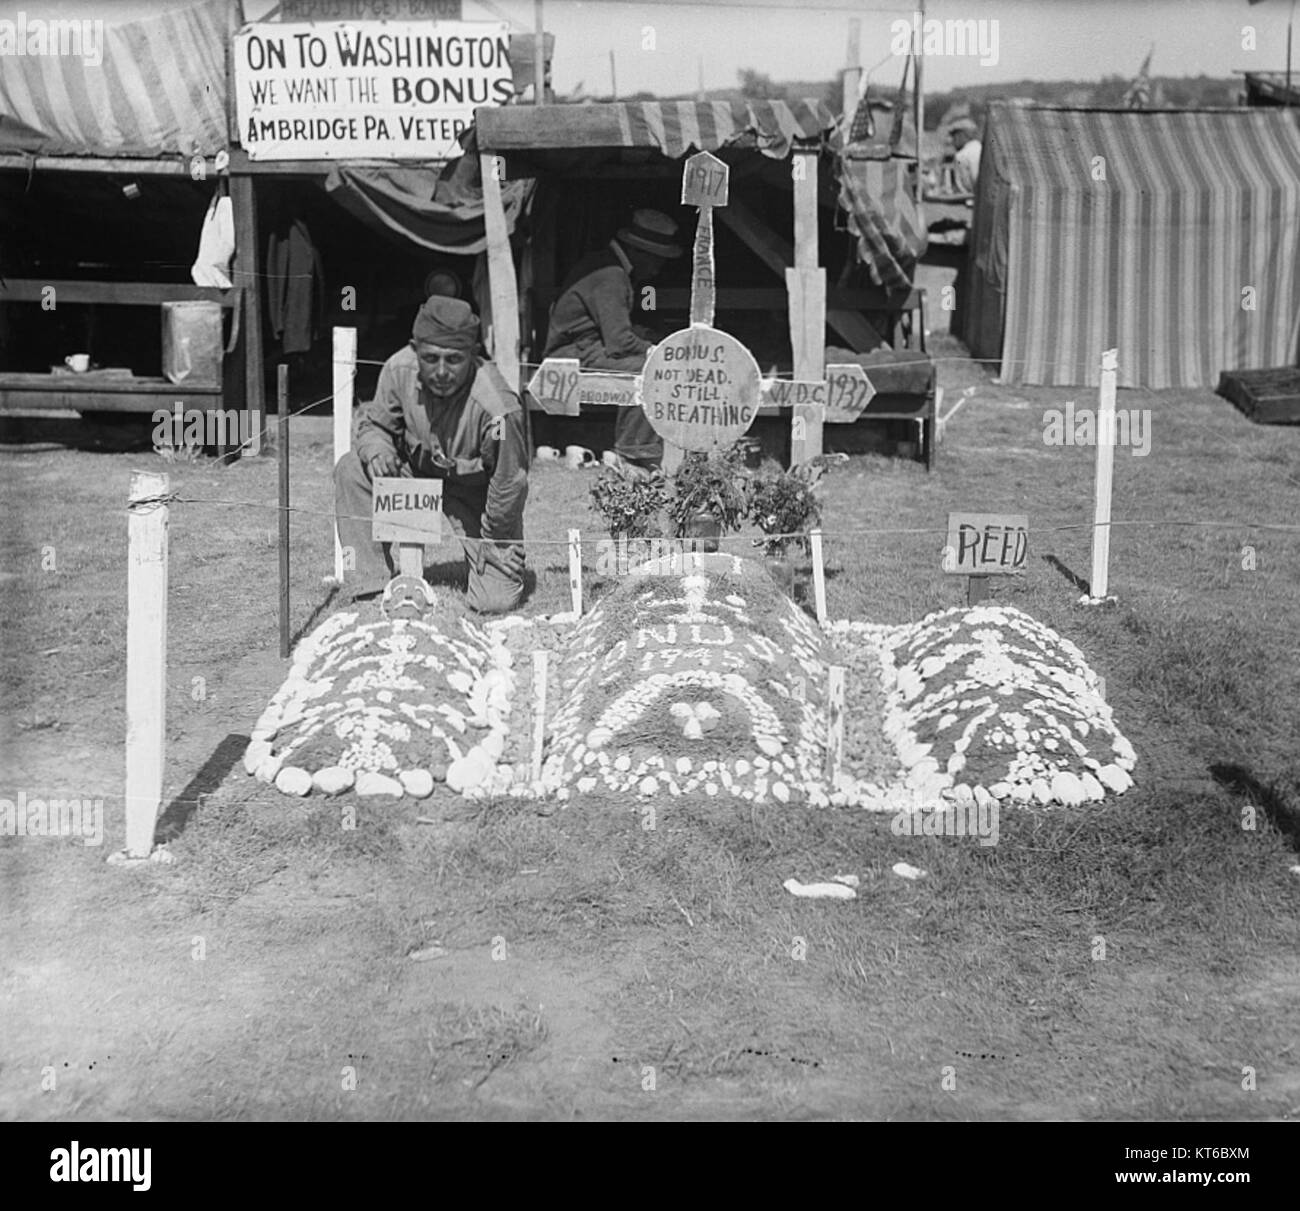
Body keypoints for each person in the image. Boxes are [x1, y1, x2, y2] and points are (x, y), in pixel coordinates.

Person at [334, 296, 529, 614]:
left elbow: (509, 483)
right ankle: (368, 586)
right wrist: (378, 450)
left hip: (473, 492)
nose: (441, 371)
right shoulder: (398, 369)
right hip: (414, 473)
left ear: (473, 355)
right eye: (430, 358)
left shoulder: (499, 409)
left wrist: (494, 541)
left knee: (495, 602)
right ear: (415, 350)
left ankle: (492, 570)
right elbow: (374, 425)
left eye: (453, 359)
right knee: (352, 468)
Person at [543, 208, 683, 475]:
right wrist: (657, 350)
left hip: (586, 349)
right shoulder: (611, 275)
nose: (658, 267)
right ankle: (633, 455)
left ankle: (645, 449)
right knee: (650, 370)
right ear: (641, 253)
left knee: (652, 360)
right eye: (657, 260)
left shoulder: (615, 270)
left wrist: (649, 335)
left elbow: (620, 326)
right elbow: (619, 343)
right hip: (571, 357)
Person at [949, 118, 982, 194]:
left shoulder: (961, 156)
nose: (952, 140)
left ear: (962, 134)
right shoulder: (981, 148)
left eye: (954, 135)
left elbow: (963, 187)